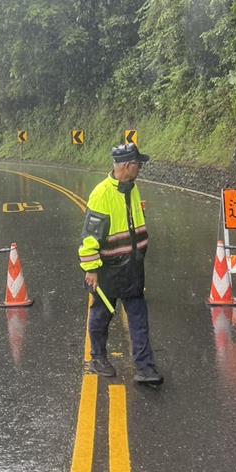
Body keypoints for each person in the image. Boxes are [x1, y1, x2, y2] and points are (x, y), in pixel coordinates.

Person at [78, 143, 164, 385]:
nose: (140, 168)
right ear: (126, 166)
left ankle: (145, 367)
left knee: (139, 318)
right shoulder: (102, 194)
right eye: (138, 164)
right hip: (109, 271)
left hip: (133, 269)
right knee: (101, 316)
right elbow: (89, 238)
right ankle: (98, 357)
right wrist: (91, 269)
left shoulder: (133, 190)